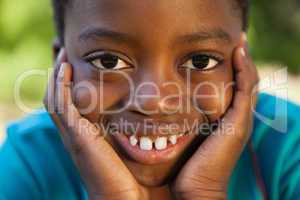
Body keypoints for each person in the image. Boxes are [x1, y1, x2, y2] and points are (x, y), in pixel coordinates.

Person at [1, 0, 300, 199]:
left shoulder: (286, 148)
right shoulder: (31, 162)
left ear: (241, 63)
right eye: (107, 62)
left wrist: (203, 192)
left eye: (199, 61)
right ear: (60, 68)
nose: (154, 100)